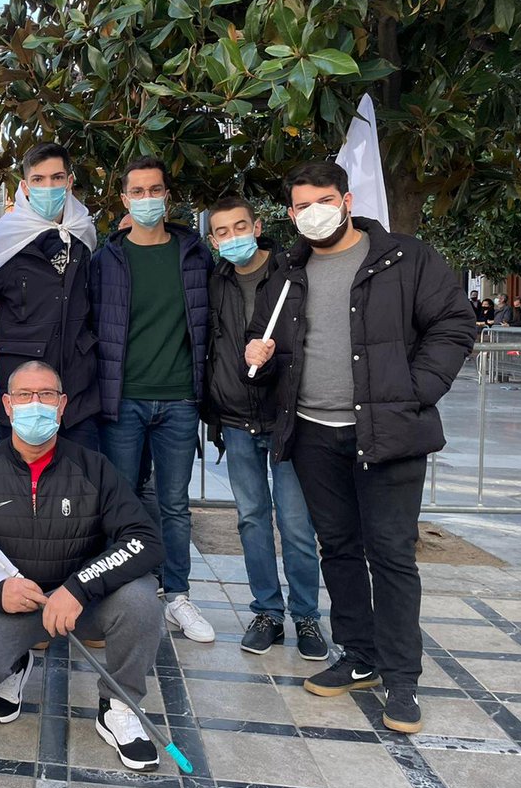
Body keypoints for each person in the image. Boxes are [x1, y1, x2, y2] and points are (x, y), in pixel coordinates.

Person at [245, 161, 475, 734]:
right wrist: (262, 359)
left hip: (387, 433)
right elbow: (268, 338)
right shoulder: (286, 271)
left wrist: (416, 391)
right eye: (299, 206)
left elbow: (453, 324)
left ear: (346, 200)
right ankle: (360, 655)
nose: (311, 213)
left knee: (392, 554)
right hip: (312, 433)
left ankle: (403, 678)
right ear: (291, 213)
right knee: (339, 548)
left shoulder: (404, 257)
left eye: (322, 200)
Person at [0, 361, 165, 771]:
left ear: (62, 406)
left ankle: (118, 704)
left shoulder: (93, 467)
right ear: (7, 405)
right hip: (17, 608)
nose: (35, 405)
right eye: (25, 395)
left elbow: (144, 540)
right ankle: (14, 663)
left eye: (46, 395)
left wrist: (79, 588)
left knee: (143, 598)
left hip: (84, 605)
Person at [90, 156, 215, 644]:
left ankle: (177, 596)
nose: (146, 199)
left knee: (174, 503)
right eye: (136, 192)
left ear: (169, 196)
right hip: (122, 402)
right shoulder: (107, 259)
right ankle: (121, 591)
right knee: (120, 501)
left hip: (180, 400)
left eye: (154, 190)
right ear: (124, 199)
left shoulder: (194, 253)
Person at [202, 197, 325, 659]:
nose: (233, 237)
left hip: (286, 420)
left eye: (240, 227)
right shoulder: (217, 282)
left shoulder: (292, 274)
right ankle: (267, 612)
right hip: (235, 420)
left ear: (257, 226)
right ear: (213, 241)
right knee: (252, 520)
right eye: (222, 232)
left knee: (296, 523)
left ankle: (307, 617)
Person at [0, 143, 100, 450]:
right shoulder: (4, 239)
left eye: (57, 178)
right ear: (24, 185)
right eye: (39, 179)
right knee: (19, 486)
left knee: (80, 485)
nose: (49, 186)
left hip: (77, 394)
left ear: (70, 181)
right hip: (22, 392)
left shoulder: (83, 233)